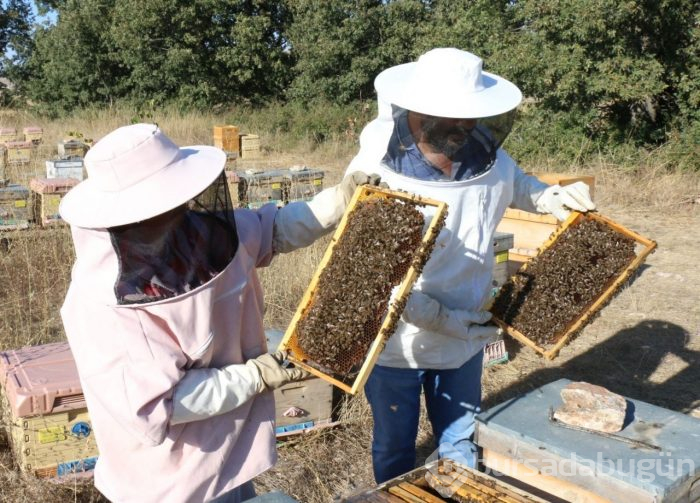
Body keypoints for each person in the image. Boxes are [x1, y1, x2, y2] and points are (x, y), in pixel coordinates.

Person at [59, 123, 381, 502]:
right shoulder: (101, 307)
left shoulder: (195, 231)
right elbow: (162, 403)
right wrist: (254, 376)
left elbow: (270, 229)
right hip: (168, 478)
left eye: (177, 200)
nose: (176, 212)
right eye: (162, 208)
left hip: (229, 445)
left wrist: (337, 202)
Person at [346, 47, 596, 483]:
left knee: (460, 443)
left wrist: (551, 197)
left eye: (471, 118)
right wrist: (441, 319)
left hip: (466, 334)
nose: (465, 128)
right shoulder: (377, 169)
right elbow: (369, 272)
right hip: (396, 340)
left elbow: (516, 184)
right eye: (454, 119)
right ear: (419, 112)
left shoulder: (486, 155)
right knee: (394, 445)